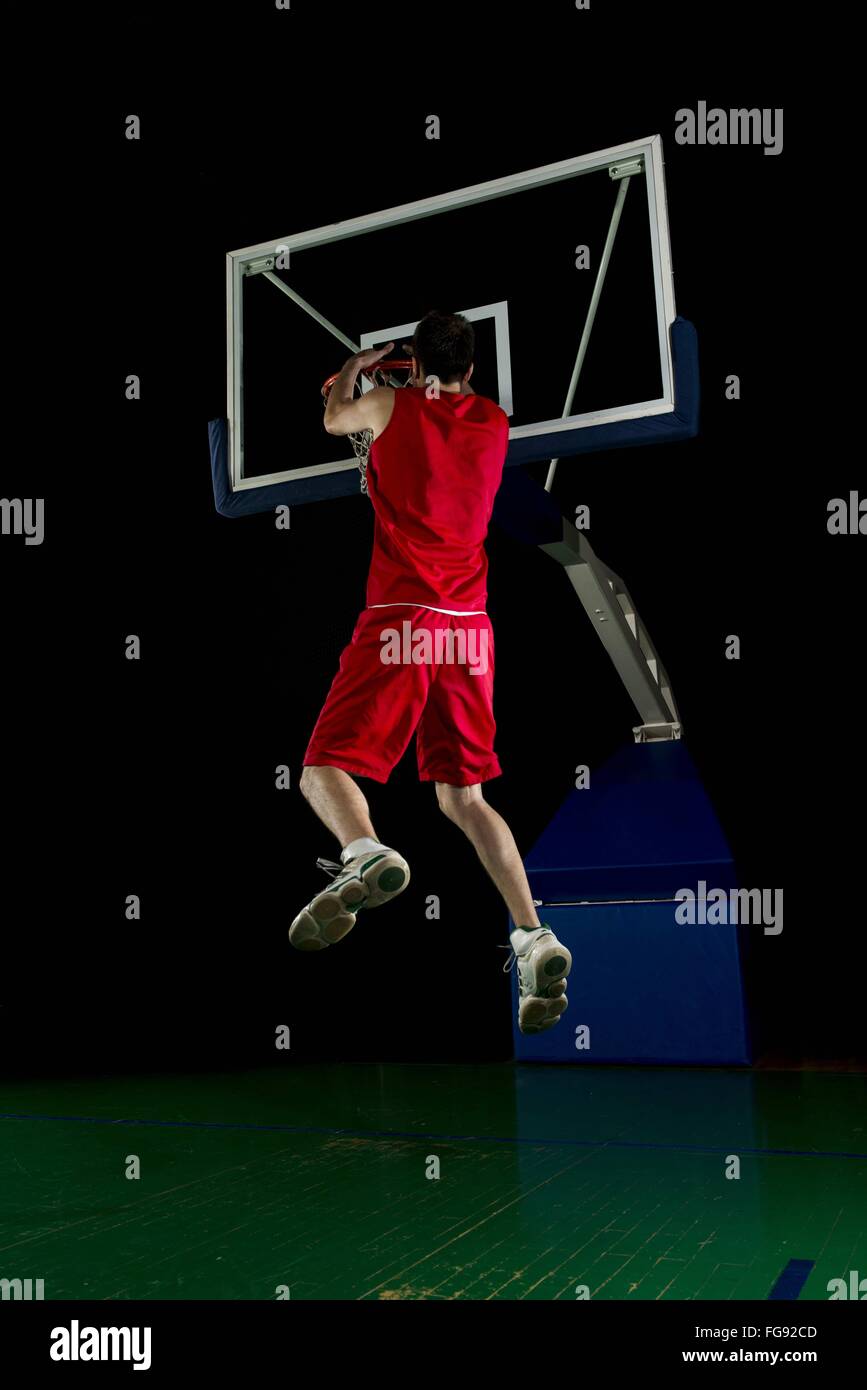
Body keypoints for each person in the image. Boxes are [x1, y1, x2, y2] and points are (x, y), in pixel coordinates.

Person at [290, 311, 571, 1033]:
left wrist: (357, 368)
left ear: (412, 365)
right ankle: (531, 931)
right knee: (465, 798)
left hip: (403, 618)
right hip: (469, 631)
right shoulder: (494, 421)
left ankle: (363, 852)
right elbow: (437, 422)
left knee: (322, 769)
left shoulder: (389, 403)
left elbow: (333, 421)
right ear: (472, 368)